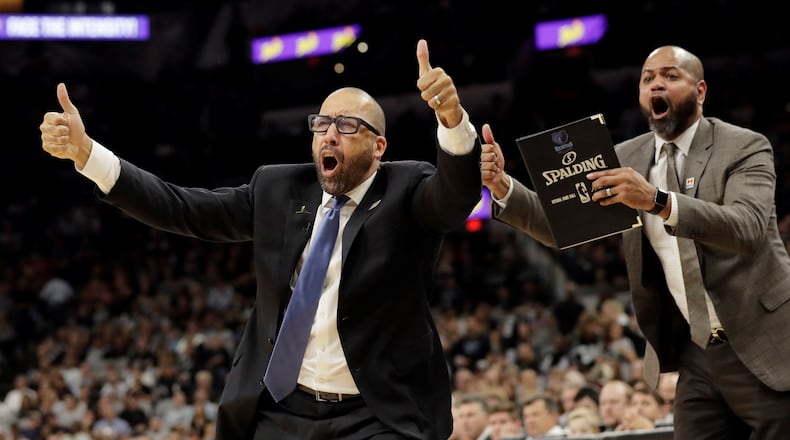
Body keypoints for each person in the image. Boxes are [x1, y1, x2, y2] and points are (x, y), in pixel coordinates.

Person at [39, 39, 483, 439]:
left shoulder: (407, 189)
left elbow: (454, 198)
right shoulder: (276, 189)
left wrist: (452, 121)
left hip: (377, 414)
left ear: (379, 147)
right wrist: (88, 155)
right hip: (282, 409)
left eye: (347, 126)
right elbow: (182, 207)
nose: (329, 133)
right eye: (322, 123)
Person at [480, 45, 790, 439]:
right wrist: (504, 186)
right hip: (696, 354)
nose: (656, 83)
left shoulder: (744, 146)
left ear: (700, 91)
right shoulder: (623, 158)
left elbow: (746, 228)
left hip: (762, 340)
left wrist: (657, 201)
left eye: (670, 76)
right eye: (647, 79)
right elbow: (561, 225)